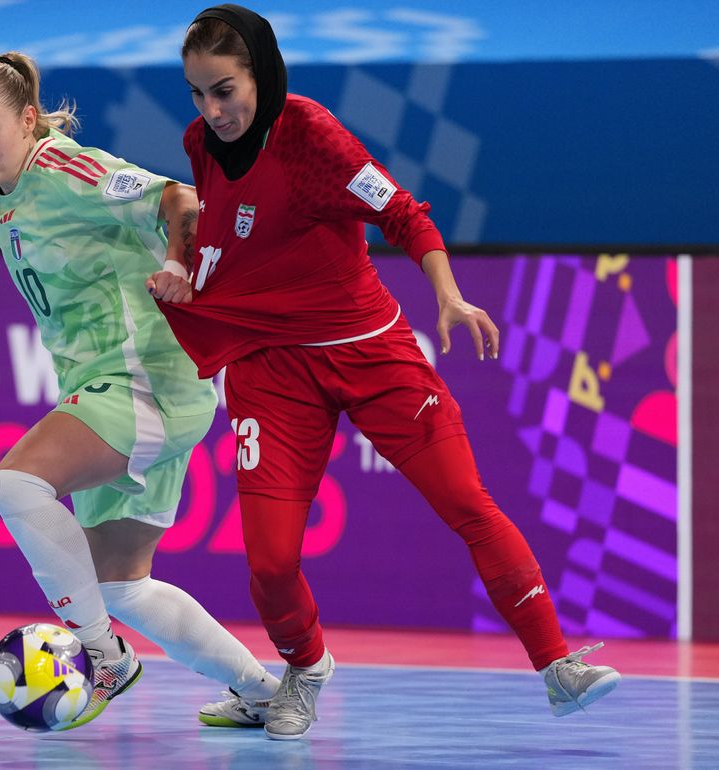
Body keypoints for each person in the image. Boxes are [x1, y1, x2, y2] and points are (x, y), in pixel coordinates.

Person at [147, 4, 622, 740]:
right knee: (270, 564)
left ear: (263, 74)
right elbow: (201, 212)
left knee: (466, 499)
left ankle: (558, 666)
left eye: (226, 89)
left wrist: (449, 295)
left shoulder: (311, 137)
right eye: (198, 93)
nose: (213, 110)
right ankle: (304, 668)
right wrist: (180, 263)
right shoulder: (200, 143)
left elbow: (403, 213)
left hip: (372, 351)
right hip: (272, 370)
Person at [0, 51, 281, 730]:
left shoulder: (64, 168)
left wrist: (174, 264)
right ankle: (263, 693)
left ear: (28, 120)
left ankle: (104, 659)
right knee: (120, 584)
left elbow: (179, 199)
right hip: (122, 388)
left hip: (147, 380)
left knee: (17, 483)